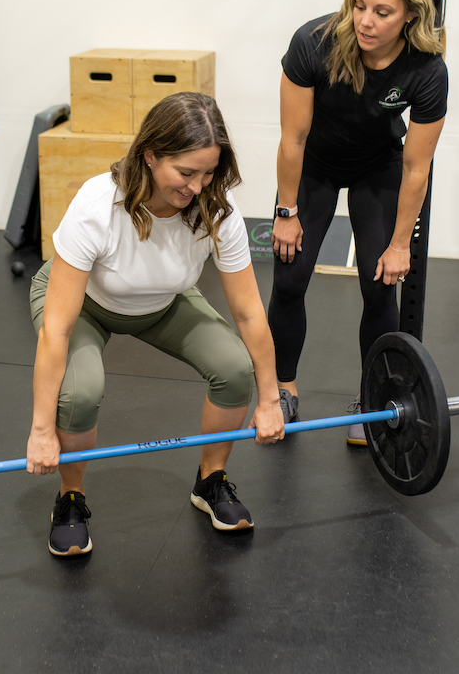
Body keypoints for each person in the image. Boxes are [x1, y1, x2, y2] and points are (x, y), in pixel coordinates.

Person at [27, 91, 284, 556]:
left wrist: (271, 398)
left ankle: (211, 480)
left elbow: (248, 312)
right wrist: (42, 430)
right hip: (84, 302)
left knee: (233, 367)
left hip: (162, 301)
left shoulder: (217, 211)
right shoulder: (99, 204)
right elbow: (57, 329)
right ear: (149, 155)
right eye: (185, 173)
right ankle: (70, 495)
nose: (197, 186)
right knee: (80, 391)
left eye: (208, 173)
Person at [268, 0, 448, 444]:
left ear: (410, 15)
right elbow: (293, 138)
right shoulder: (314, 43)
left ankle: (369, 402)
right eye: (359, 6)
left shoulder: (427, 69)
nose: (365, 21)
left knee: (379, 283)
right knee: (290, 277)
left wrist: (399, 243)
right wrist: (286, 212)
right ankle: (282, 391)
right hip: (315, 167)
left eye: (382, 12)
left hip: (378, 168)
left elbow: (416, 166)